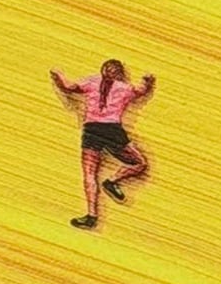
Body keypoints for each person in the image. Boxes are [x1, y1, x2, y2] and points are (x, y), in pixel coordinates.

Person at [50, 60, 154, 229]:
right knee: (140, 163)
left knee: (90, 173)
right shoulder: (124, 88)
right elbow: (141, 91)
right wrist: (147, 81)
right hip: (112, 129)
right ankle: (112, 181)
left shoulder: (91, 81)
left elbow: (68, 87)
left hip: (92, 129)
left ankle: (92, 215)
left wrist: (58, 77)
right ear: (119, 73)